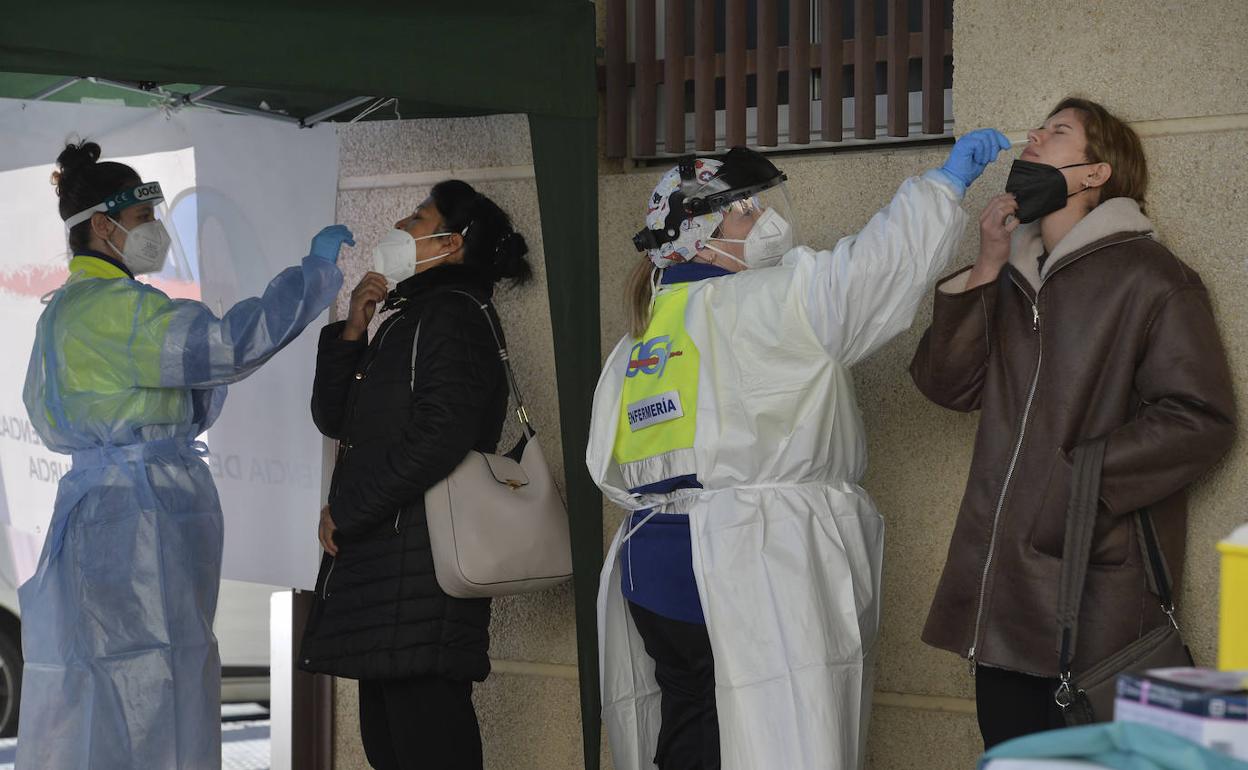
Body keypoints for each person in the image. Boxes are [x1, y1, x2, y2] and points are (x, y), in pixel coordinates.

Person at [589, 130, 1010, 770]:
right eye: (747, 210)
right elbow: (871, 272)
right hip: (748, 563)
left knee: (693, 723)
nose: (769, 220)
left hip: (655, 567)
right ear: (700, 231)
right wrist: (942, 185)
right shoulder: (759, 304)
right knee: (777, 735)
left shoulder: (646, 332)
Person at [910, 97, 1236, 749]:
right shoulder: (1006, 279)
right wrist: (987, 264)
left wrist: (1082, 477)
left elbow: (1202, 418)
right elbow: (948, 387)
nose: (1033, 137)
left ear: (1096, 173)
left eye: (1057, 132)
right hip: (998, 602)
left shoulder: (1152, 278)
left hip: (1094, 600)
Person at [18, 141, 349, 769]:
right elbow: (225, 346)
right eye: (144, 221)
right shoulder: (119, 311)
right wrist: (312, 278)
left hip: (95, 513)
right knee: (157, 692)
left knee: (99, 693)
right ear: (101, 225)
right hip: (141, 519)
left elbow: (55, 410)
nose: (156, 234)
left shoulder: (61, 312)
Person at [298, 180, 532, 770]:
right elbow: (335, 417)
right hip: (389, 571)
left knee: (426, 738)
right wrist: (353, 329)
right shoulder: (412, 315)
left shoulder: (452, 316)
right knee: (391, 743)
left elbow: (439, 440)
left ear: (453, 244)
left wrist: (348, 511)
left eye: (418, 217)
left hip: (419, 571)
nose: (401, 224)